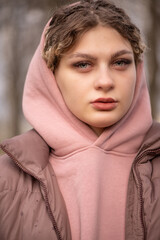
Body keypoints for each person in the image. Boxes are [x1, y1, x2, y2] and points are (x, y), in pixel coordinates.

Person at [0, 0, 160, 239]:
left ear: (138, 70)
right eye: (83, 64)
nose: (105, 81)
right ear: (50, 74)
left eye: (120, 62)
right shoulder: (6, 179)